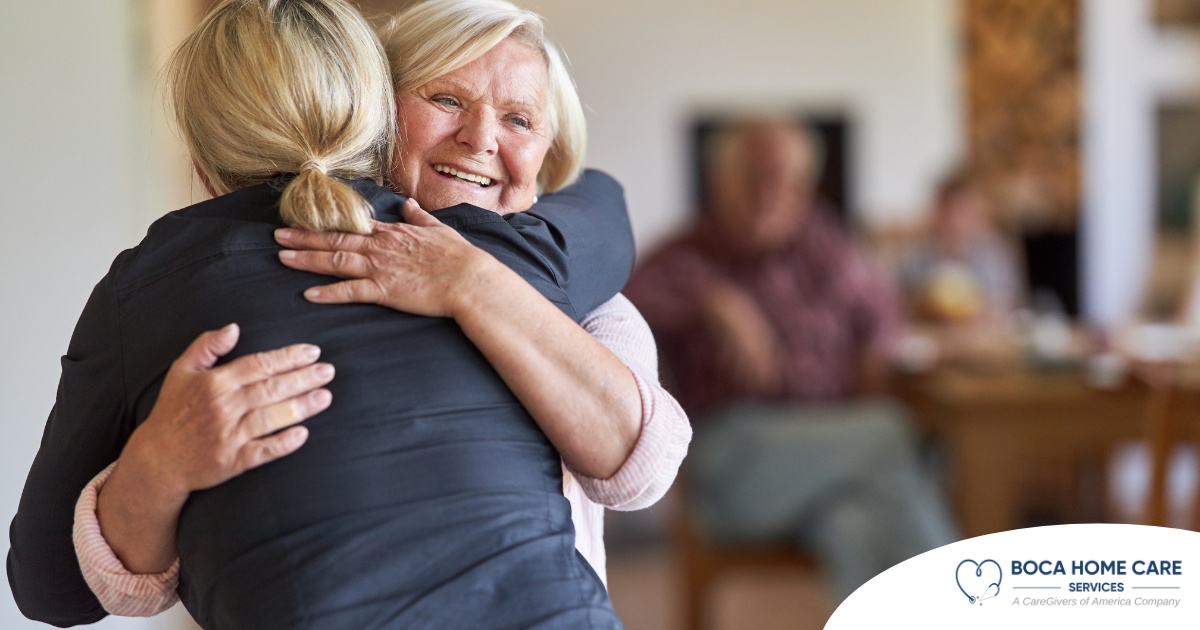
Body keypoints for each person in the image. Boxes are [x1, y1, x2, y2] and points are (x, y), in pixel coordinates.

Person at [9, 1, 688, 627]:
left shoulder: (540, 269)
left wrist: (472, 283)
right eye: (446, 99)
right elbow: (606, 206)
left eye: (520, 119)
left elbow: (642, 470)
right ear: (376, 115)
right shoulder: (538, 252)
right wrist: (156, 468)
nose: (482, 138)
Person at [625, 117, 956, 603]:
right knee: (890, 432)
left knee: (856, 522)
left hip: (833, 460)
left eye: (787, 180)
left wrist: (874, 354)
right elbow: (620, 303)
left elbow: (887, 318)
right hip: (733, 467)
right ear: (721, 179)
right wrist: (714, 298)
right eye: (756, 175)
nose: (771, 193)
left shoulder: (825, 244)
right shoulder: (686, 254)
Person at [901, 170, 1022, 325]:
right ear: (937, 213)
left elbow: (1007, 304)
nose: (955, 220)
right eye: (948, 210)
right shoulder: (917, 257)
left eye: (963, 210)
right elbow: (903, 307)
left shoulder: (995, 254)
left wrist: (978, 312)